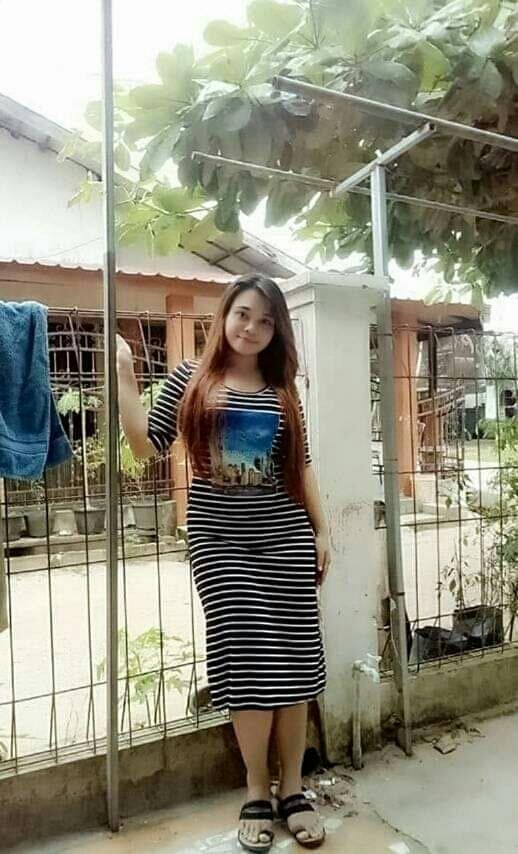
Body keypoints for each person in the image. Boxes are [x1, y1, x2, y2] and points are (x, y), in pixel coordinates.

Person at [117, 275, 330, 852]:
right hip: (221, 544)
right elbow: (144, 445)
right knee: (244, 659)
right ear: (224, 315)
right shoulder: (192, 379)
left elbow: (301, 466)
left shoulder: (281, 388)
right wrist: (125, 374)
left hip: (284, 538)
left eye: (265, 321)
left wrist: (322, 530)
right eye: (243, 314)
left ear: (276, 331)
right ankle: (256, 789)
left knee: (294, 662)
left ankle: (294, 789)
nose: (252, 328)